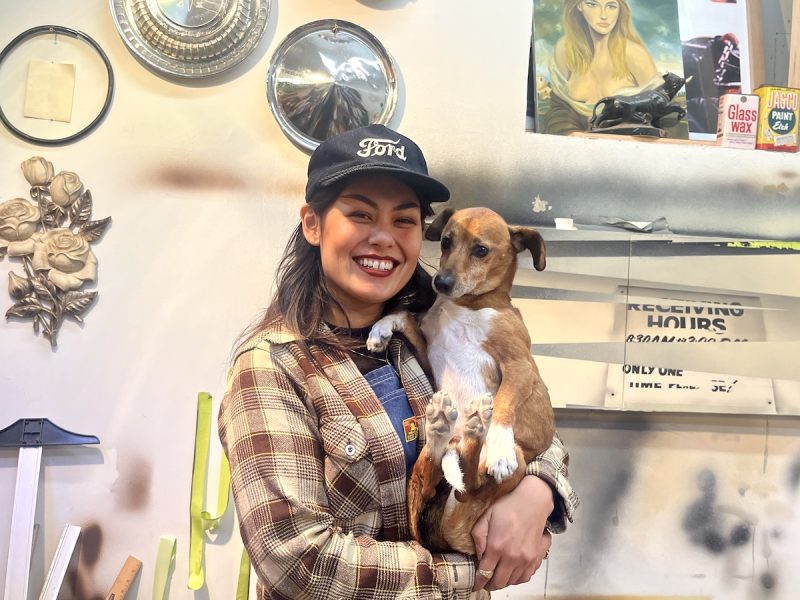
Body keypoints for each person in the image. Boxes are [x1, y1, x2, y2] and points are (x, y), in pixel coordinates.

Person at [218, 124, 578, 599]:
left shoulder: (429, 328)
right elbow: (298, 562)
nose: (384, 237)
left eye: (404, 220)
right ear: (313, 224)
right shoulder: (273, 368)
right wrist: (474, 570)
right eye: (361, 214)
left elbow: (528, 417)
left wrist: (539, 491)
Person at [542, 0, 659, 134]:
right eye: (592, 4)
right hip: (572, 146)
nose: (603, 15)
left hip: (622, 147)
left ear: (620, 9)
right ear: (579, 6)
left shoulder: (634, 54)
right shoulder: (565, 49)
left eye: (611, 6)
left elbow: (659, 115)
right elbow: (558, 109)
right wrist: (573, 136)